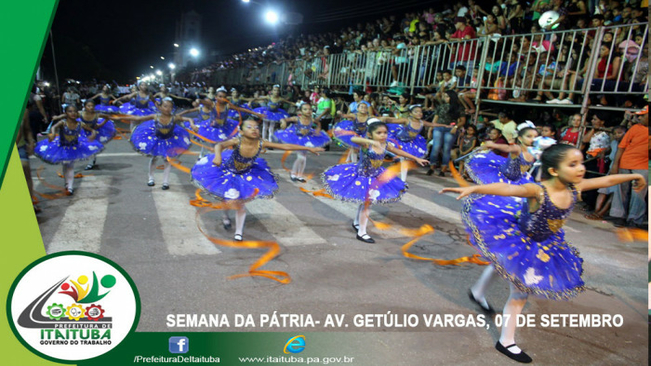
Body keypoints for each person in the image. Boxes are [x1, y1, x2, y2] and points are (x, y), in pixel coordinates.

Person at [440, 144, 646, 363]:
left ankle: (478, 291)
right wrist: (474, 189)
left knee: (504, 263)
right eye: (573, 164)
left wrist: (634, 175)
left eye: (581, 163)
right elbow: (509, 189)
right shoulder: (538, 190)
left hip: (546, 243)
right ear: (554, 171)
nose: (581, 169)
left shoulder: (576, 187)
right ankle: (506, 341)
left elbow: (606, 180)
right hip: (523, 240)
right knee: (519, 294)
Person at [191, 118, 324, 241]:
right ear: (242, 131)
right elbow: (219, 145)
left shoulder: (261, 143)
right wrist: (218, 156)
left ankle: (238, 232)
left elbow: (286, 146)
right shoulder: (237, 141)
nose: (254, 129)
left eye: (256, 127)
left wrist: (308, 148)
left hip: (247, 175)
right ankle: (225, 216)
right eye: (249, 127)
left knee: (240, 204)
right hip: (228, 172)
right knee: (227, 199)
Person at [322, 119, 429, 243]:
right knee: (367, 204)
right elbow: (354, 139)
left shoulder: (386, 144)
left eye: (385, 132)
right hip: (362, 177)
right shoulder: (367, 144)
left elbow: (398, 151)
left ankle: (357, 223)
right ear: (370, 134)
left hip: (376, 177)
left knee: (365, 203)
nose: (383, 135)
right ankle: (362, 232)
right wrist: (370, 141)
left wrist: (416, 158)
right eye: (379, 133)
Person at [120, 98, 198, 190]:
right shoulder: (156, 116)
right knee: (154, 158)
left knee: (167, 160)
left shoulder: (174, 117)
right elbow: (139, 118)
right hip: (156, 140)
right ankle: (151, 178)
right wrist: (123, 117)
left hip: (169, 140)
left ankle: (165, 181)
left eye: (170, 107)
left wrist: (192, 125)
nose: (167, 108)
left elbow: (188, 118)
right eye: (165, 106)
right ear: (160, 107)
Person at [34, 105, 103, 195]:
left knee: (70, 166)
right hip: (62, 147)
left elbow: (91, 130)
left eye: (74, 111)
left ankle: (69, 187)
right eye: (70, 111)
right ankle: (67, 184)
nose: (73, 113)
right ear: (66, 113)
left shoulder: (80, 124)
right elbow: (54, 127)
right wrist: (53, 133)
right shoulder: (63, 123)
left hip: (74, 148)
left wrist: (93, 134)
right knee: (66, 166)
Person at [608, 106, 649, 228]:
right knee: (622, 192)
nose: (639, 117)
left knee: (638, 193)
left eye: (643, 115)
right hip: (625, 163)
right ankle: (619, 216)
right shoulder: (635, 128)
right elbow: (621, 147)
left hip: (643, 165)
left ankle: (634, 219)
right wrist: (615, 165)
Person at [277, 102, 331, 182]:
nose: (308, 111)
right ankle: (293, 173)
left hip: (307, 139)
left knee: (304, 158)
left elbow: (318, 123)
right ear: (300, 111)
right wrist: (283, 122)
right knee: (300, 157)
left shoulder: (312, 119)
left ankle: (299, 175)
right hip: (297, 139)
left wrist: (318, 129)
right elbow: (284, 119)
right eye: (305, 109)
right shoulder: (296, 118)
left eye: (310, 109)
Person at [380, 104, 435, 181]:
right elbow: (393, 120)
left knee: (403, 159)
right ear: (411, 113)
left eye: (420, 112)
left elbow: (432, 124)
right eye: (416, 112)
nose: (419, 113)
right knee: (396, 154)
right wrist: (384, 119)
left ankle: (402, 178)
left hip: (409, 143)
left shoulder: (421, 123)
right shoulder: (406, 120)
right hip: (398, 140)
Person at [427, 90, 466, 176]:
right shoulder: (441, 106)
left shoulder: (459, 108)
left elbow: (463, 121)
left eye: (447, 96)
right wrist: (431, 128)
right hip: (438, 127)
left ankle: (443, 169)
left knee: (446, 149)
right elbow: (435, 118)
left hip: (451, 129)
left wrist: (456, 127)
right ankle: (432, 167)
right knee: (436, 147)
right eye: (444, 96)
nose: (445, 98)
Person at [78, 100, 117, 170]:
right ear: (85, 107)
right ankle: (92, 159)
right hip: (83, 132)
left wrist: (99, 125)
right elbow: (68, 116)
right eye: (88, 106)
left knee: (91, 147)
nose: (91, 108)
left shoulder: (96, 114)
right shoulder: (80, 113)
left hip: (93, 132)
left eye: (92, 106)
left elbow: (107, 117)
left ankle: (90, 162)